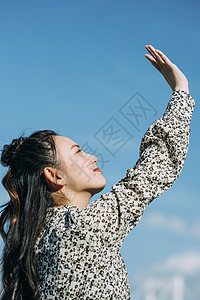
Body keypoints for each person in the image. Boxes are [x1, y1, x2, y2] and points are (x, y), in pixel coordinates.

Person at [0, 45, 195, 300]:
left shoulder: (35, 244)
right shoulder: (80, 230)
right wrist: (181, 91)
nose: (92, 157)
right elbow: (152, 170)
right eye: (78, 152)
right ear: (54, 175)